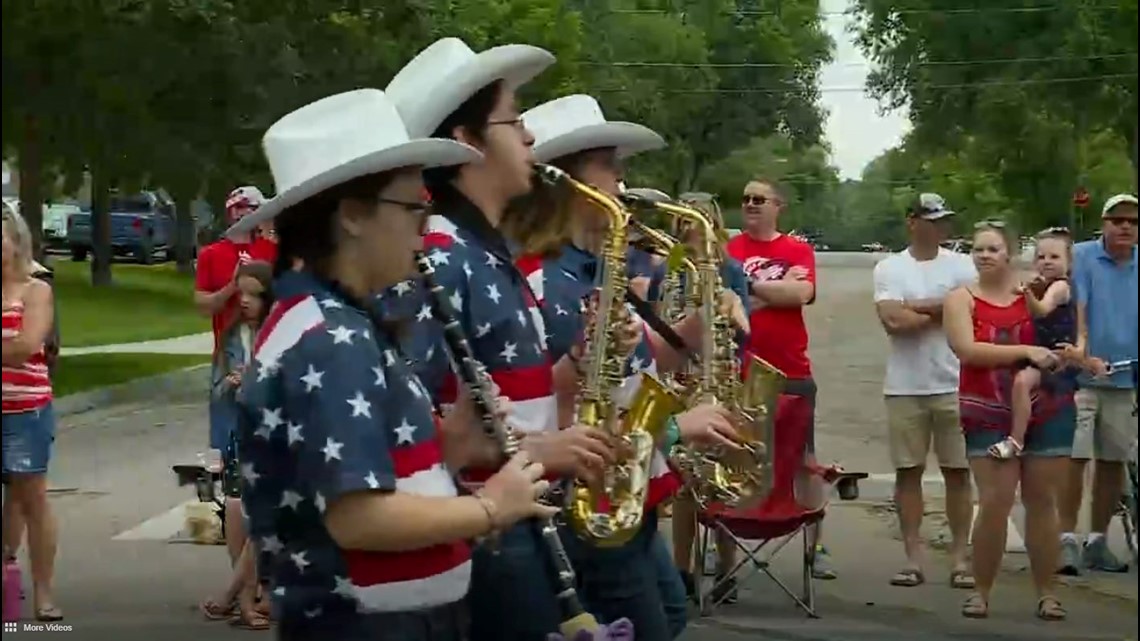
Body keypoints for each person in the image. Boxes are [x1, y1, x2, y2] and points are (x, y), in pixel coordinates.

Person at [230, 88, 555, 641]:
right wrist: (491, 508)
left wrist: (453, 446)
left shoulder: (343, 321)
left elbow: (364, 472)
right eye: (412, 206)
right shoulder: (329, 338)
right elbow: (358, 518)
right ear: (353, 215)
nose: (426, 223)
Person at [379, 39, 627, 641]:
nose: (530, 137)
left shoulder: (488, 253)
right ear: (466, 140)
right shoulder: (442, 254)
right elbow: (404, 430)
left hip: (518, 514)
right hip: (483, 533)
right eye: (514, 120)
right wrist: (538, 454)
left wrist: (576, 368)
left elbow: (507, 402)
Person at [500, 93, 745, 639]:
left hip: (622, 482)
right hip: (588, 496)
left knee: (672, 613)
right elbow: (560, 408)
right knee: (652, 623)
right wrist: (677, 428)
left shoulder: (591, 266)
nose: (621, 180)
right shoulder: (545, 278)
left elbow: (625, 370)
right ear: (568, 181)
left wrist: (695, 330)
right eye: (609, 166)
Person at [944, 221, 1075, 621]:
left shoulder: (1035, 293)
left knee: (1042, 502)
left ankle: (1047, 593)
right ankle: (982, 591)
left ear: (1011, 253)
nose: (984, 255)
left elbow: (1068, 333)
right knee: (995, 502)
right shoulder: (959, 299)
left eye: (993, 249)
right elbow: (967, 349)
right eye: (978, 249)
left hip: (1048, 405)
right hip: (986, 410)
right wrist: (1028, 351)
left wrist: (1069, 353)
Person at [724, 178, 837, 581]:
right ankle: (726, 558)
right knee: (732, 462)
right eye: (746, 199)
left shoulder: (796, 249)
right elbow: (720, 302)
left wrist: (747, 288)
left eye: (760, 199)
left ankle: (815, 545)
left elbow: (801, 293)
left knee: (804, 462)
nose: (751, 204)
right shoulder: (728, 248)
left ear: (778, 206)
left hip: (791, 370)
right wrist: (775, 288)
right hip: (737, 371)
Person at [871, 194, 976, 590]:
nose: (939, 227)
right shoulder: (890, 267)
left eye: (943, 221)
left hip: (955, 381)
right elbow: (894, 320)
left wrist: (924, 307)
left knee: (958, 472)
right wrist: (946, 308)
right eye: (931, 220)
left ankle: (960, 558)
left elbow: (971, 313)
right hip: (905, 385)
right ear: (912, 222)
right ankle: (913, 558)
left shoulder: (963, 265)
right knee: (908, 472)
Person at [1059, 193, 1138, 574]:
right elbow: (1080, 311)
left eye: (1133, 221)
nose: (1125, 226)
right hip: (1083, 377)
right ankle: (1066, 540)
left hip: (1125, 379)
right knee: (1074, 459)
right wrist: (1084, 355)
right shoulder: (1085, 256)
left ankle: (1097, 540)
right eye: (1117, 219)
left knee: (1112, 462)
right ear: (1103, 223)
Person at [200, 260, 274, 630]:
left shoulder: (280, 335)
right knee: (235, 507)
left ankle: (237, 595)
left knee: (266, 512)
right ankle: (244, 599)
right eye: (239, 292)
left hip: (272, 438)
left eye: (253, 294)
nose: (243, 301)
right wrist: (230, 382)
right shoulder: (231, 339)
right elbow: (214, 391)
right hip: (239, 436)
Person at [1, 207, 62, 621]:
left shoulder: (34, 290)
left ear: (16, 241)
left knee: (30, 498)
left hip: (26, 410)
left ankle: (43, 591)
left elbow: (27, 345)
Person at [996, 228, 1076, 459]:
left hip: (1057, 352)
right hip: (1039, 349)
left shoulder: (1060, 286)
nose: (1047, 262)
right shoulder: (1042, 284)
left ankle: (1016, 440)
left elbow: (1041, 311)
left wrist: (1027, 293)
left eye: (1054, 257)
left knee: (1022, 382)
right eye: (1041, 257)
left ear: (1069, 263)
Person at [194, 186, 277, 352]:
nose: (263, 215)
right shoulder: (210, 254)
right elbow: (204, 308)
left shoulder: (273, 249)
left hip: (270, 343)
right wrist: (233, 285)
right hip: (228, 349)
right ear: (236, 212)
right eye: (257, 209)